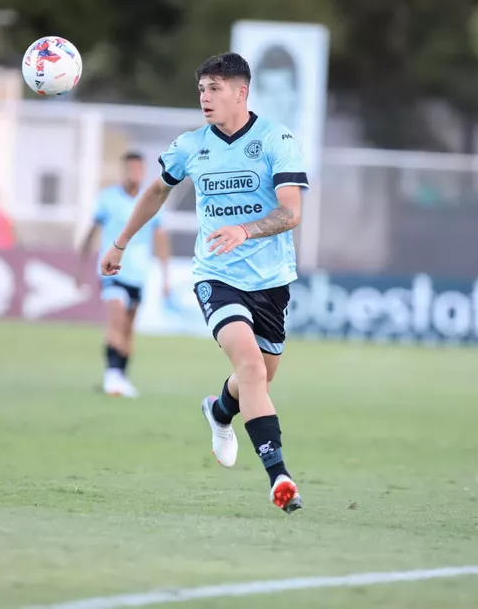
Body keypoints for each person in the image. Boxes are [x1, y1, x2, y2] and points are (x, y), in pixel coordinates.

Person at [99, 53, 309, 513]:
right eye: (201, 89)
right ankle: (279, 476)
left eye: (215, 88)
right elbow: (156, 191)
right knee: (251, 368)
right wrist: (120, 243)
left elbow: (291, 212)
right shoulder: (190, 146)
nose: (205, 98)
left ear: (241, 92)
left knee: (257, 377)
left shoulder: (276, 139)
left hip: (272, 282)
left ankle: (218, 412)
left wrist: (245, 230)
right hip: (216, 276)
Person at [81, 152, 171, 398]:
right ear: (123, 170)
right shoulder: (108, 198)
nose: (134, 174)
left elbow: (160, 237)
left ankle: (120, 376)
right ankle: (112, 375)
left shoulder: (151, 199)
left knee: (128, 329)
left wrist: (165, 276)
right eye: (130, 169)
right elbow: (92, 232)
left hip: (138, 273)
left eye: (138, 169)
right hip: (112, 271)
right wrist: (81, 266)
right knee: (117, 321)